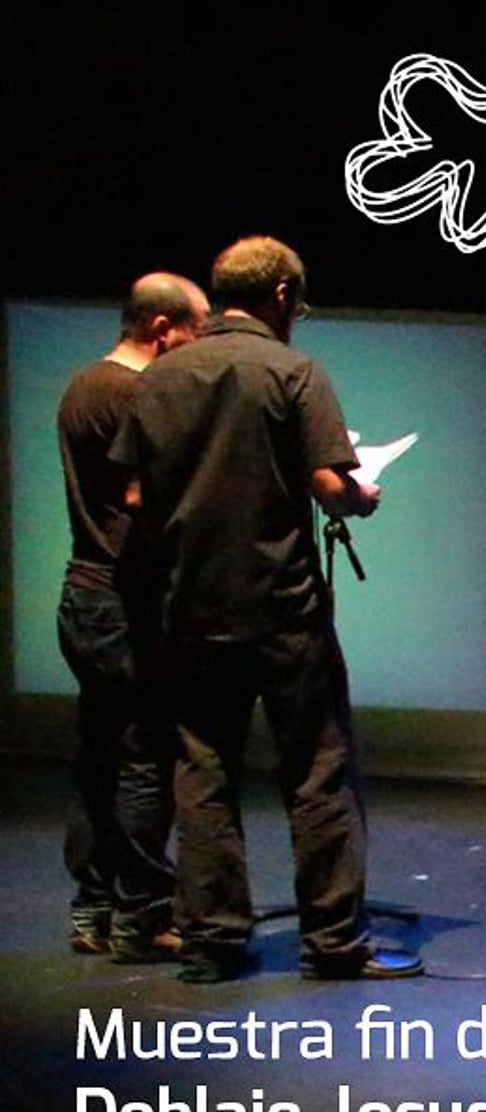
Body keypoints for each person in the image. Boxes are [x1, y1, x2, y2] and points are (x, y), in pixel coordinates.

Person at [109, 236, 419, 982]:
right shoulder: (291, 371)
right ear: (282, 294)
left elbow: (133, 495)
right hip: (283, 612)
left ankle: (212, 944)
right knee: (316, 772)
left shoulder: (160, 376)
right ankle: (333, 944)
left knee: (203, 773)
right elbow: (331, 487)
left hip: (191, 610)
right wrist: (363, 497)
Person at [56, 273, 209, 959]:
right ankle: (141, 917)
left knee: (99, 753)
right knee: (145, 756)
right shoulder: (134, 394)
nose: (201, 345)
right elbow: (145, 498)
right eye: (196, 330)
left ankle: (93, 909)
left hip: (85, 594)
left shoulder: (82, 383)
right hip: (126, 598)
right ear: (161, 330)